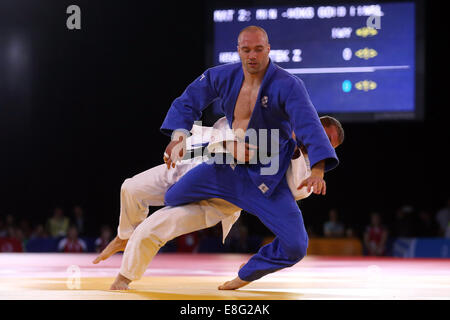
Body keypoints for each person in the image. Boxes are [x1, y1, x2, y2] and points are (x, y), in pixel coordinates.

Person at [103, 26, 339, 290]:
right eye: (246, 49)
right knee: (166, 196)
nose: (252, 55)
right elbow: (189, 100)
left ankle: (245, 273)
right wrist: (179, 136)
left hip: (262, 183)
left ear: (268, 49)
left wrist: (317, 169)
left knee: (296, 244)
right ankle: (125, 240)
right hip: (221, 169)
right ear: (238, 50)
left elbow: (309, 125)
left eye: (258, 49)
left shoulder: (289, 88)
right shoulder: (224, 76)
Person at [93, 114, 343, 290]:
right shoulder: (274, 121)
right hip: (191, 164)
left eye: (328, 144)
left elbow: (294, 190)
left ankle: (124, 278)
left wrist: (299, 152)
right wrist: (183, 142)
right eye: (320, 134)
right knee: (130, 187)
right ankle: (124, 235)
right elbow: (226, 124)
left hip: (215, 200)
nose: (320, 142)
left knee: (152, 228)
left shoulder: (306, 172)